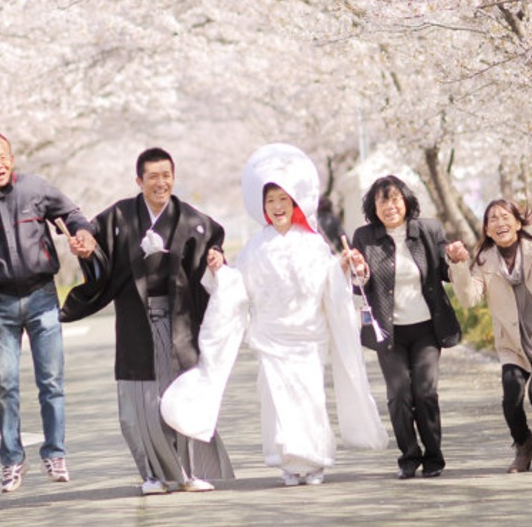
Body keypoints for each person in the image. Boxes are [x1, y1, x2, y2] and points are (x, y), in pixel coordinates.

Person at [161, 144, 387, 486]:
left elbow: (330, 279)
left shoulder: (312, 243)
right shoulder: (256, 246)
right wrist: (220, 271)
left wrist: (343, 267)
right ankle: (288, 461)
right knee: (277, 402)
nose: (278, 207)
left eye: (283, 200)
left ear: (294, 202)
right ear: (263, 207)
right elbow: (238, 287)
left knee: (309, 398)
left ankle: (314, 459)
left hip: (307, 337)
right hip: (271, 338)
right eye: (271, 201)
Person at [61, 147, 234, 495]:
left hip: (180, 320)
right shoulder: (120, 217)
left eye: (166, 175)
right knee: (139, 403)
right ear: (138, 180)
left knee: (181, 394)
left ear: (174, 176)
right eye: (152, 177)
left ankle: (188, 472)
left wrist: (217, 261)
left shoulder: (191, 220)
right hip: (137, 319)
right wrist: (86, 250)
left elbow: (211, 257)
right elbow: (95, 250)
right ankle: (153, 475)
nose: (160, 183)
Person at [0, 131, 95, 493]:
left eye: (3, 157)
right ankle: (11, 460)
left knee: (51, 381)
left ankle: (55, 453)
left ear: (12, 158)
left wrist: (82, 234)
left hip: (42, 296)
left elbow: (72, 214)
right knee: (4, 385)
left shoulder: (35, 188)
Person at [347, 175, 464, 479]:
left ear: (407, 200)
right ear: (374, 206)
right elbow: (360, 289)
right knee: (399, 394)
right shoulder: (364, 237)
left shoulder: (429, 229)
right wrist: (358, 272)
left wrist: (454, 258)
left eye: (396, 198)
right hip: (389, 330)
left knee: (425, 392)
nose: (390, 205)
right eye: (382, 200)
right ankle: (409, 457)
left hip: (426, 327)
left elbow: (445, 272)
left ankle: (434, 457)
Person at [448, 199, 532, 473]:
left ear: (518, 223)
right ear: (487, 230)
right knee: (511, 399)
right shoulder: (485, 260)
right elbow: (469, 299)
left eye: (505, 217)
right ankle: (523, 445)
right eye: (492, 219)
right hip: (512, 344)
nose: (499, 223)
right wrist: (458, 265)